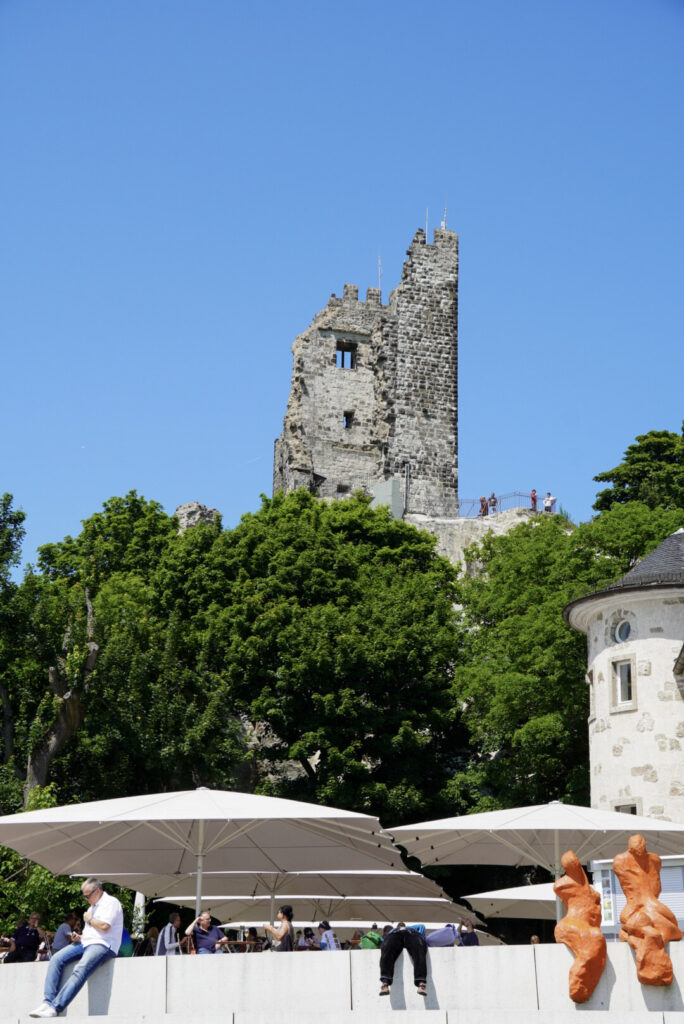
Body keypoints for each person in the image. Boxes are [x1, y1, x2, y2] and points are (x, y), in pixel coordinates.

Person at [29, 878, 123, 1018]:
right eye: (84, 896)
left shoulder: (111, 902)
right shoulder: (92, 907)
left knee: (80, 969)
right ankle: (47, 1002)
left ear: (97, 891)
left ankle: (55, 1007)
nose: (86, 899)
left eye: (87, 896)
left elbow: (105, 926)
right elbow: (91, 931)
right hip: (86, 942)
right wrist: (79, 937)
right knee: (56, 958)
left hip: (103, 944)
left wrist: (89, 920)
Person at [379, 923, 428, 997]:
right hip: (408, 934)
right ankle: (421, 982)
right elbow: (422, 927)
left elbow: (384, 939)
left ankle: (385, 982)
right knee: (418, 946)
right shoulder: (412, 928)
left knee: (388, 948)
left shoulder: (396, 930)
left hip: (405, 933)